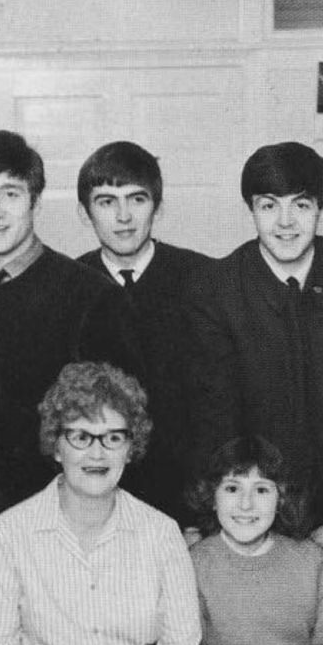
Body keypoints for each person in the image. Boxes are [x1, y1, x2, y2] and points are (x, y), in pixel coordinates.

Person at [0, 131, 139, 574]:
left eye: (10, 194)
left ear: (35, 202)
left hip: (62, 528)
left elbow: (120, 432)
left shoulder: (90, 296)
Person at [184, 141, 323, 528]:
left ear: (321, 208)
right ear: (251, 210)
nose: (285, 222)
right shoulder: (216, 288)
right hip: (255, 513)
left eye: (301, 204)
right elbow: (216, 420)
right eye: (268, 205)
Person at [0, 361, 203, 645]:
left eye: (113, 438)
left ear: (130, 449)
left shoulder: (162, 533)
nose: (97, 454)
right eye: (81, 437)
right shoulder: (6, 534)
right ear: (56, 447)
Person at [76, 140, 212, 521]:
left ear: (158, 206)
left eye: (137, 199)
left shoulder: (203, 280)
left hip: (187, 498)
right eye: (106, 202)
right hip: (97, 496)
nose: (123, 216)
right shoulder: (68, 287)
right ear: (85, 213)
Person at [187, 435, 323, 645]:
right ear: (212, 497)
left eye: (261, 490)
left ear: (281, 500)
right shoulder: (196, 564)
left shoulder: (311, 561)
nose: (246, 504)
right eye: (232, 488)